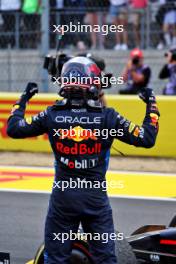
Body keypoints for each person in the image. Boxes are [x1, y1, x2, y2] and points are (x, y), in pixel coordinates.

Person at [7, 56, 159, 264]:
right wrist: (151, 104)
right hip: (95, 200)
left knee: (55, 258)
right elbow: (147, 138)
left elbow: (13, 128)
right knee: (105, 259)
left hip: (63, 199)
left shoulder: (52, 115)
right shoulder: (108, 116)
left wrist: (23, 99)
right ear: (93, 84)